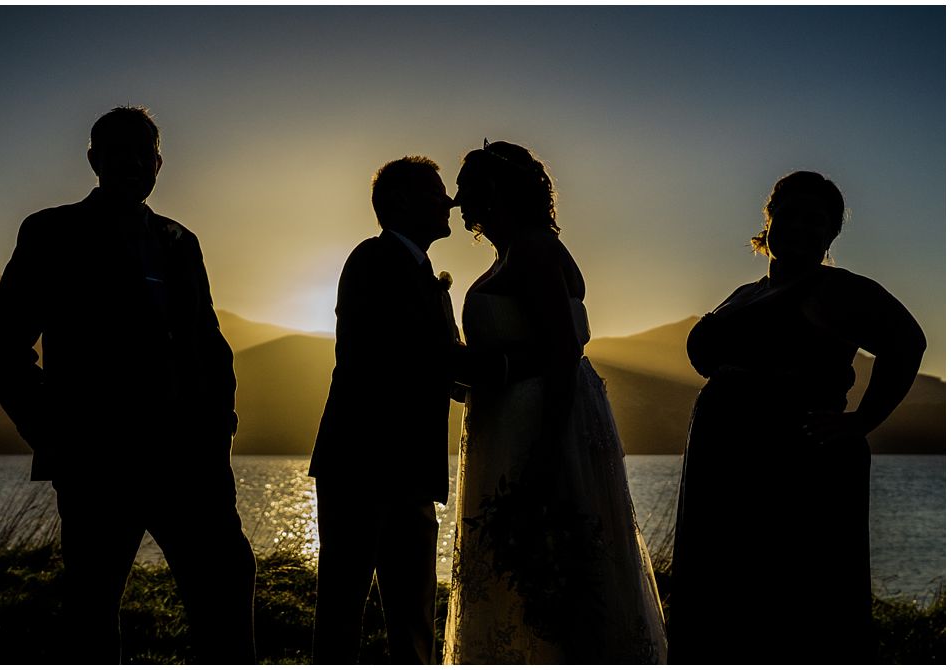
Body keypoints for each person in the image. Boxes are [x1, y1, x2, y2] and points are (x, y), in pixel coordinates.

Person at [0, 106, 256, 664]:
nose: (131, 161)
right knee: (92, 613)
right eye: (116, 150)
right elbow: (1, 347)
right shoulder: (51, 232)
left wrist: (219, 430)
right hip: (97, 465)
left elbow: (210, 344)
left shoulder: (181, 240)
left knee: (227, 589)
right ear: (93, 160)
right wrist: (57, 437)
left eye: (143, 151)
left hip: (191, 463)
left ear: (158, 162)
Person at [668, 171, 927, 663]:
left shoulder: (838, 289)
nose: (803, 228)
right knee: (719, 589)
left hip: (793, 461)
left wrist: (862, 420)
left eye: (818, 220)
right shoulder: (743, 293)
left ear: (832, 234)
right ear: (769, 220)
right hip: (722, 460)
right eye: (791, 215)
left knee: (791, 598)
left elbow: (908, 343)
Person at [442, 140, 667, 663]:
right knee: (525, 575)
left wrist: (545, 454)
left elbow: (563, 350)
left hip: (542, 425)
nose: (457, 199)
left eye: (466, 187)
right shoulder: (515, 251)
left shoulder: (534, 248)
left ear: (493, 191)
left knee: (557, 569)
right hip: (508, 422)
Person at [309, 156, 472, 663]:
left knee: (414, 617)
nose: (449, 202)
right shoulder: (372, 261)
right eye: (436, 192)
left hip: (412, 471)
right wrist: (510, 364)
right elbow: (411, 354)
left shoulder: (426, 276)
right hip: (362, 466)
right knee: (343, 611)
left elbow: (445, 369)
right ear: (401, 200)